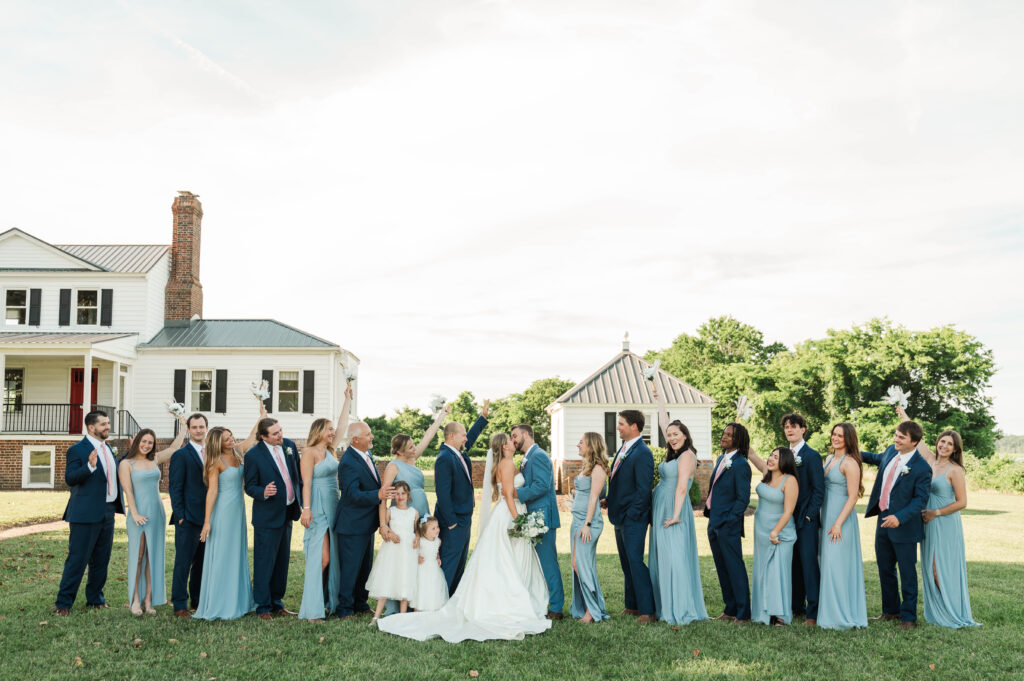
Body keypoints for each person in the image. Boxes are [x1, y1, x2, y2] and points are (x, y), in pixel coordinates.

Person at [377, 433, 551, 641]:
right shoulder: (505, 464)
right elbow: (507, 493)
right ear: (504, 446)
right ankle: (507, 602)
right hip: (509, 514)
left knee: (511, 558)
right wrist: (519, 521)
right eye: (510, 439)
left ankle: (520, 597)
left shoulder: (509, 462)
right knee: (506, 559)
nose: (514, 441)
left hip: (511, 513)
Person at [896, 407, 980, 628]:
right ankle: (939, 610)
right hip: (928, 523)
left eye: (949, 444)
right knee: (930, 568)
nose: (944, 446)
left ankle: (951, 611)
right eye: (942, 442)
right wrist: (905, 416)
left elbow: (963, 502)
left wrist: (936, 512)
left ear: (955, 449)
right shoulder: (931, 461)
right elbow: (918, 441)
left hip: (944, 522)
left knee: (939, 568)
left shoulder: (955, 470)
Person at [377, 402, 451, 617]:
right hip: (403, 516)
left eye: (413, 445)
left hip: (421, 511)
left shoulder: (413, 458)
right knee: (403, 559)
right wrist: (384, 525)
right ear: (399, 450)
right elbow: (384, 497)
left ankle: (416, 600)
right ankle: (395, 605)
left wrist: (440, 416)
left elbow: (428, 436)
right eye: (409, 446)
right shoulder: (393, 466)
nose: (414, 448)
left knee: (420, 555)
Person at [862, 420, 931, 629]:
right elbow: (875, 458)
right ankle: (890, 611)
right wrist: (851, 448)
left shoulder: (922, 468)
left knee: (907, 573)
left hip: (905, 526)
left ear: (915, 442)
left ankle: (908, 617)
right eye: (896, 435)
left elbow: (920, 500)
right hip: (882, 520)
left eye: (902, 437)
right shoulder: (891, 452)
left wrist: (899, 517)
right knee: (885, 568)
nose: (896, 439)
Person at [54, 410, 123, 615]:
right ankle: (63, 604)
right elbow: (70, 478)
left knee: (102, 559)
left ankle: (95, 599)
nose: (107, 427)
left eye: (108, 423)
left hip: (108, 511)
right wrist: (89, 467)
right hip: (84, 514)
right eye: (103, 424)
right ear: (91, 427)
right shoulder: (77, 450)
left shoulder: (108, 449)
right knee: (77, 559)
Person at [649, 383, 707, 625]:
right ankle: (665, 606)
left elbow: (682, 487)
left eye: (676, 434)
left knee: (675, 559)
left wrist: (674, 515)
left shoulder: (687, 455)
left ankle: (680, 608)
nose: (671, 437)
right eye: (669, 435)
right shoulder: (673, 452)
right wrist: (658, 395)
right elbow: (665, 422)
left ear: (685, 436)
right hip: (661, 506)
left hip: (674, 510)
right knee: (662, 558)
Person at [117, 417, 187, 614]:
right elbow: (128, 491)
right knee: (138, 556)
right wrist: (135, 513)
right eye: (144, 441)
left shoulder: (154, 460)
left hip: (157, 513)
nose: (147, 445)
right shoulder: (126, 464)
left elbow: (174, 448)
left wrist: (184, 427)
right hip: (138, 514)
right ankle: (135, 600)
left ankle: (149, 599)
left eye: (150, 442)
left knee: (152, 555)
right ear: (137, 441)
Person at [193, 421, 261, 621]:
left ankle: (238, 600)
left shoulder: (238, 452)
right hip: (222, 511)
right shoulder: (216, 461)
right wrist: (207, 521)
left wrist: (261, 413)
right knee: (223, 554)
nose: (232, 440)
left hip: (237, 511)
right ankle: (221, 603)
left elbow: (251, 436)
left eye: (231, 436)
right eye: (227, 439)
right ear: (218, 443)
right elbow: (212, 491)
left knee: (236, 552)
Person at [297, 384, 354, 621]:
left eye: (332, 430)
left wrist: (347, 401)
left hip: (334, 504)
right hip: (317, 505)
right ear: (319, 430)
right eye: (328, 429)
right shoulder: (309, 452)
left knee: (333, 557)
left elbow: (342, 426)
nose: (332, 432)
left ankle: (329, 601)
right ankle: (313, 607)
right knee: (322, 558)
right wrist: (306, 509)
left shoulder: (331, 449)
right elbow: (306, 483)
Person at [333, 421, 394, 619]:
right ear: (355, 439)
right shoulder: (348, 461)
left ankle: (360, 602)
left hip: (366, 523)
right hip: (352, 524)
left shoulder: (365, 456)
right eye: (368, 434)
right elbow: (351, 494)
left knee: (364, 566)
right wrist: (379, 493)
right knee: (350, 568)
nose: (372, 437)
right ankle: (345, 608)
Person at [244, 416, 302, 620]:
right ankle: (263, 606)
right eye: (275, 433)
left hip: (287, 513)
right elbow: (249, 486)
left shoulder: (289, 446)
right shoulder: (253, 455)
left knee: (282, 562)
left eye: (280, 430)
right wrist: (263, 491)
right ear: (263, 437)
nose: (280, 435)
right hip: (267, 517)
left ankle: (277, 602)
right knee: (264, 562)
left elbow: (297, 476)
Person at [605, 409, 655, 623]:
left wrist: (633, 514)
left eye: (621, 423)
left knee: (635, 560)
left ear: (634, 426)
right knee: (626, 562)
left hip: (633, 517)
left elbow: (644, 489)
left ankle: (647, 610)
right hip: (619, 514)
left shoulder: (643, 453)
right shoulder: (624, 449)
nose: (618, 427)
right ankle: (632, 605)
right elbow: (620, 482)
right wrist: (609, 499)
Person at [816, 423, 868, 630]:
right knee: (827, 563)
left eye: (841, 436)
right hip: (826, 514)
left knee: (837, 566)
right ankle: (829, 611)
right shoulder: (829, 459)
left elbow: (853, 496)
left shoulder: (850, 463)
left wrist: (838, 523)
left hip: (840, 519)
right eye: (834, 434)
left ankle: (841, 614)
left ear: (849, 439)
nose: (835, 438)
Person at [433, 407, 489, 592]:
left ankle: (452, 602)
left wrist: (482, 418)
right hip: (453, 521)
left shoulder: (458, 454)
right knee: (449, 564)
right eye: (463, 435)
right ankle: (440, 603)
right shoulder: (444, 458)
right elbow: (443, 494)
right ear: (451, 436)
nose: (466, 438)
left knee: (459, 565)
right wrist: (451, 523)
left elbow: (470, 439)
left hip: (464, 518)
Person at [512, 423, 564, 619]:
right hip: (532, 517)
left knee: (548, 562)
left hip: (542, 518)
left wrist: (516, 493)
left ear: (527, 434)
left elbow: (542, 486)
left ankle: (557, 607)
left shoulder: (539, 456)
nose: (514, 440)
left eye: (515, 435)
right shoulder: (528, 458)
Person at [704, 422, 752, 623]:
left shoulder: (741, 465)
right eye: (724, 433)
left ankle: (743, 613)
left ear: (738, 440)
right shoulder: (721, 459)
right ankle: (730, 608)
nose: (724, 437)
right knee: (722, 567)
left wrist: (731, 521)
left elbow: (743, 498)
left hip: (728, 525)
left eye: (729, 435)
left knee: (734, 568)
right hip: (713, 522)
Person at [781, 413, 824, 626]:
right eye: (787, 427)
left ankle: (813, 612)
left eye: (794, 427)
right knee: (792, 563)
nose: (789, 430)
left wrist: (809, 515)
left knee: (808, 564)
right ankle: (796, 606)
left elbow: (818, 490)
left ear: (803, 429)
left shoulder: (812, 456)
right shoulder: (782, 455)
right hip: (786, 518)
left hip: (805, 519)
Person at [748, 447, 799, 626]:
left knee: (778, 572)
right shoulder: (766, 472)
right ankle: (763, 612)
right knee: (763, 571)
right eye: (771, 455)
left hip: (781, 532)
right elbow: (752, 454)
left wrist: (775, 531)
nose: (770, 459)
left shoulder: (790, 480)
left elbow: (788, 511)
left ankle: (781, 616)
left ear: (784, 461)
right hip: (761, 529)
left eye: (776, 457)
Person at [169, 412, 212, 617]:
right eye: (194, 427)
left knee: (202, 563)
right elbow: (175, 488)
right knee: (183, 562)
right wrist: (180, 516)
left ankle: (197, 600)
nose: (198, 430)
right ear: (188, 430)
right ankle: (179, 604)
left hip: (208, 518)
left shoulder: (212, 453)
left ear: (206, 428)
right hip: (187, 518)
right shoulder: (181, 455)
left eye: (201, 427)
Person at [569, 432, 610, 623]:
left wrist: (587, 524)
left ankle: (592, 612)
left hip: (588, 523)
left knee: (582, 565)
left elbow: (594, 498)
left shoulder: (599, 469)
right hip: (577, 520)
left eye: (581, 442)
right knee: (577, 564)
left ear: (591, 445)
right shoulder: (587, 467)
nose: (578, 445)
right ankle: (587, 606)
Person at [366, 481, 420, 622]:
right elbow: (383, 528)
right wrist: (390, 534)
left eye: (403, 493)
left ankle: (402, 618)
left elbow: (417, 531)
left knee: (405, 580)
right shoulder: (391, 512)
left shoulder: (414, 513)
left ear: (408, 495)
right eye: (396, 494)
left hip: (407, 552)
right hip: (392, 551)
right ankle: (376, 616)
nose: (400, 496)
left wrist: (418, 538)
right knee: (387, 579)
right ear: (393, 496)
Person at [410, 516, 448, 613]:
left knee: (433, 588)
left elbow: (437, 551)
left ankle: (432, 608)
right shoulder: (421, 541)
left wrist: (438, 558)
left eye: (437, 527)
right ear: (424, 532)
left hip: (434, 569)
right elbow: (414, 552)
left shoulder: (438, 541)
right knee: (421, 588)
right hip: (422, 569)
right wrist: (417, 558)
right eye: (433, 528)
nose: (437, 530)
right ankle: (417, 610)